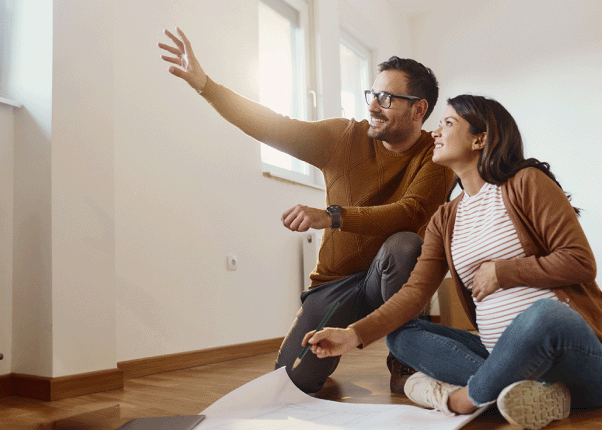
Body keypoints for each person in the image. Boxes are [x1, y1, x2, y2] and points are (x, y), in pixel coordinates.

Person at [159, 27, 454, 394]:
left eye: (386, 98)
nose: (373, 105)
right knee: (292, 382)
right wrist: (205, 85)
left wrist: (332, 216)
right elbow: (274, 127)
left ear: (418, 108)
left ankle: (406, 358)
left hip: (388, 278)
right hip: (335, 284)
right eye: (372, 94)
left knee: (405, 245)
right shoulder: (343, 137)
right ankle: (326, 355)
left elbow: (409, 212)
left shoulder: (438, 153)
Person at [303, 94, 602, 429]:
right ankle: (523, 390)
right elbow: (413, 294)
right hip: (499, 355)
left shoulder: (526, 182)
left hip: (583, 362)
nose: (435, 133)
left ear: (480, 138)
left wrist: (502, 272)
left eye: (447, 123)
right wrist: (352, 334)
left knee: (546, 314)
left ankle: (463, 398)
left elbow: (579, 261)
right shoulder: (446, 218)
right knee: (401, 336)